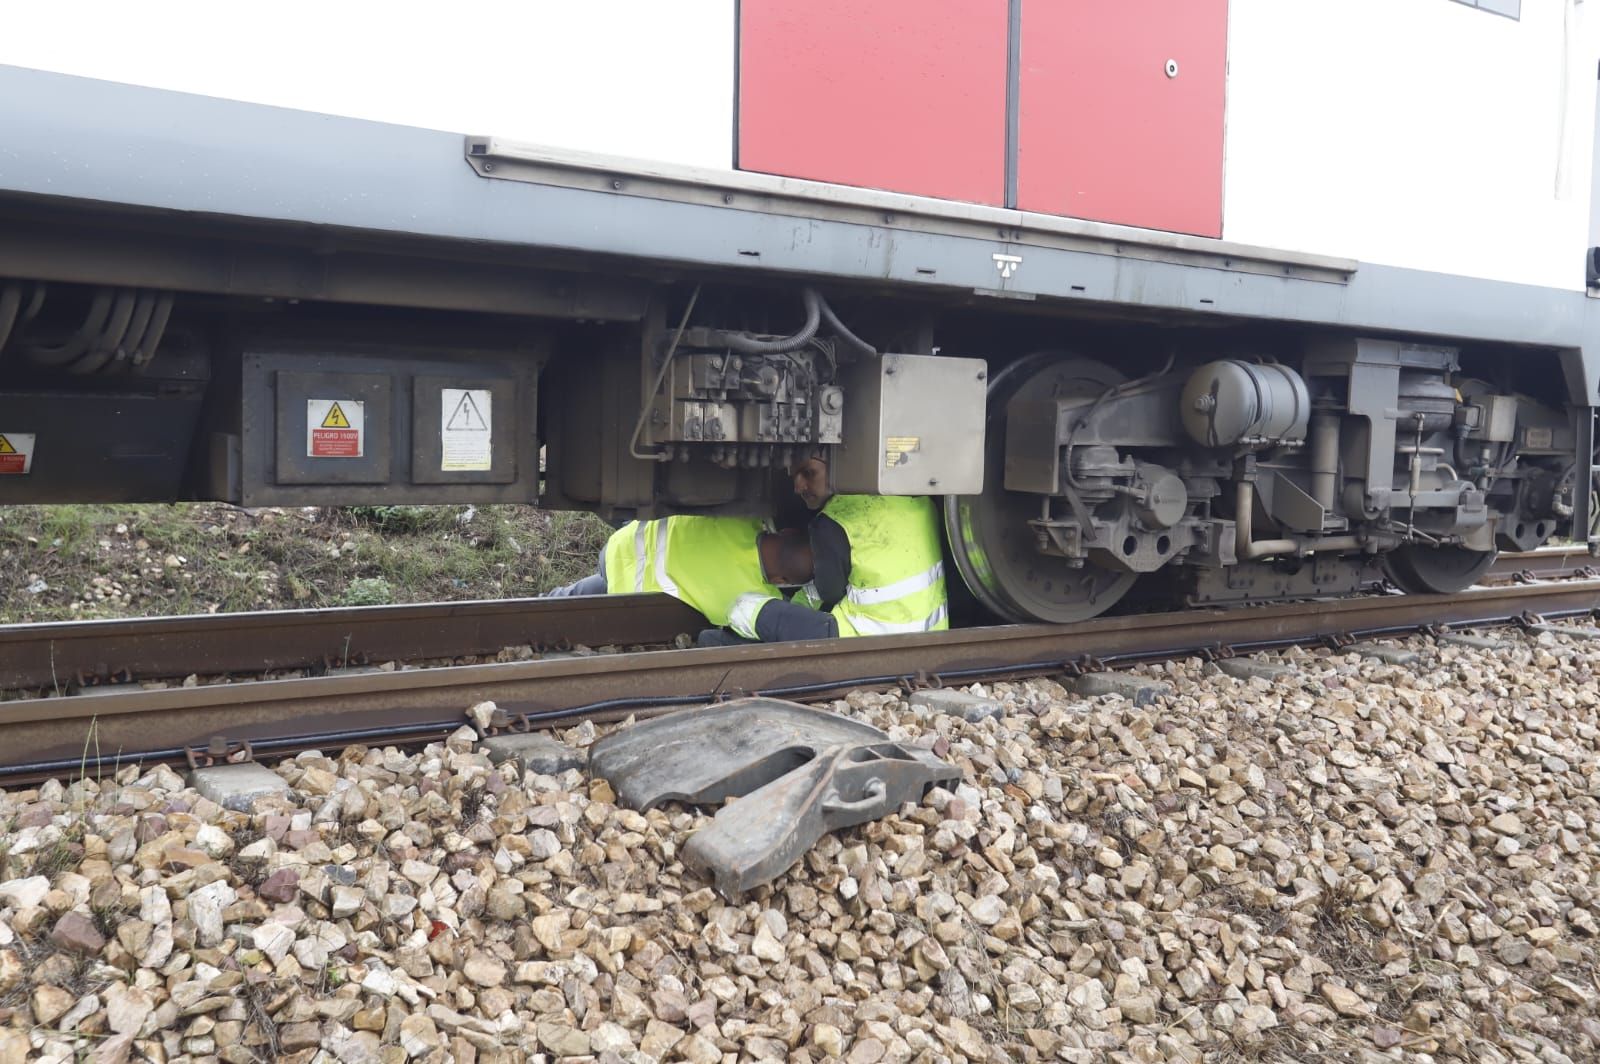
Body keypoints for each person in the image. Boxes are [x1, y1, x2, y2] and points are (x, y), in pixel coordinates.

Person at [544, 514, 818, 644]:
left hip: (620, 545)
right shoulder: (751, 597)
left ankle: (546, 605)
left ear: (784, 532)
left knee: (575, 595)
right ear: (782, 579)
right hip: (629, 585)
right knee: (600, 593)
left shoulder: (744, 520)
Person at [787, 454, 950, 637]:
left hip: (868, 642)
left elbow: (830, 593)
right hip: (931, 636)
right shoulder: (921, 501)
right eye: (793, 475)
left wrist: (798, 603)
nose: (797, 487)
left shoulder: (831, 523)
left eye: (809, 473)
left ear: (839, 466)